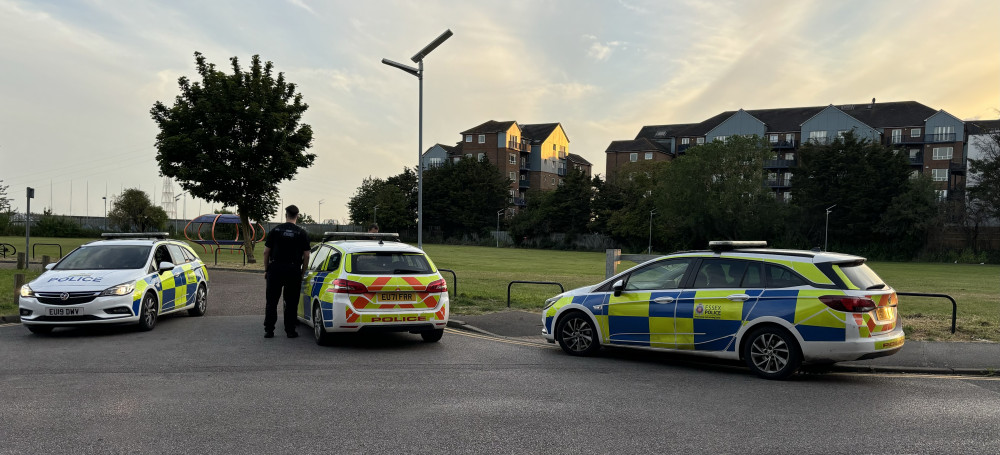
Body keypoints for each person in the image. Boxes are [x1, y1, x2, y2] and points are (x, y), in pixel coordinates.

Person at [262, 205, 311, 338]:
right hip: (293, 269)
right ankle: (290, 330)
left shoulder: (276, 230)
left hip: (275, 268)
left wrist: (267, 269)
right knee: (291, 302)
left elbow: (266, 251)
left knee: (271, 301)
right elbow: (307, 255)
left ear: (286, 215)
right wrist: (302, 272)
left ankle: (269, 330)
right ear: (298, 216)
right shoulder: (301, 233)